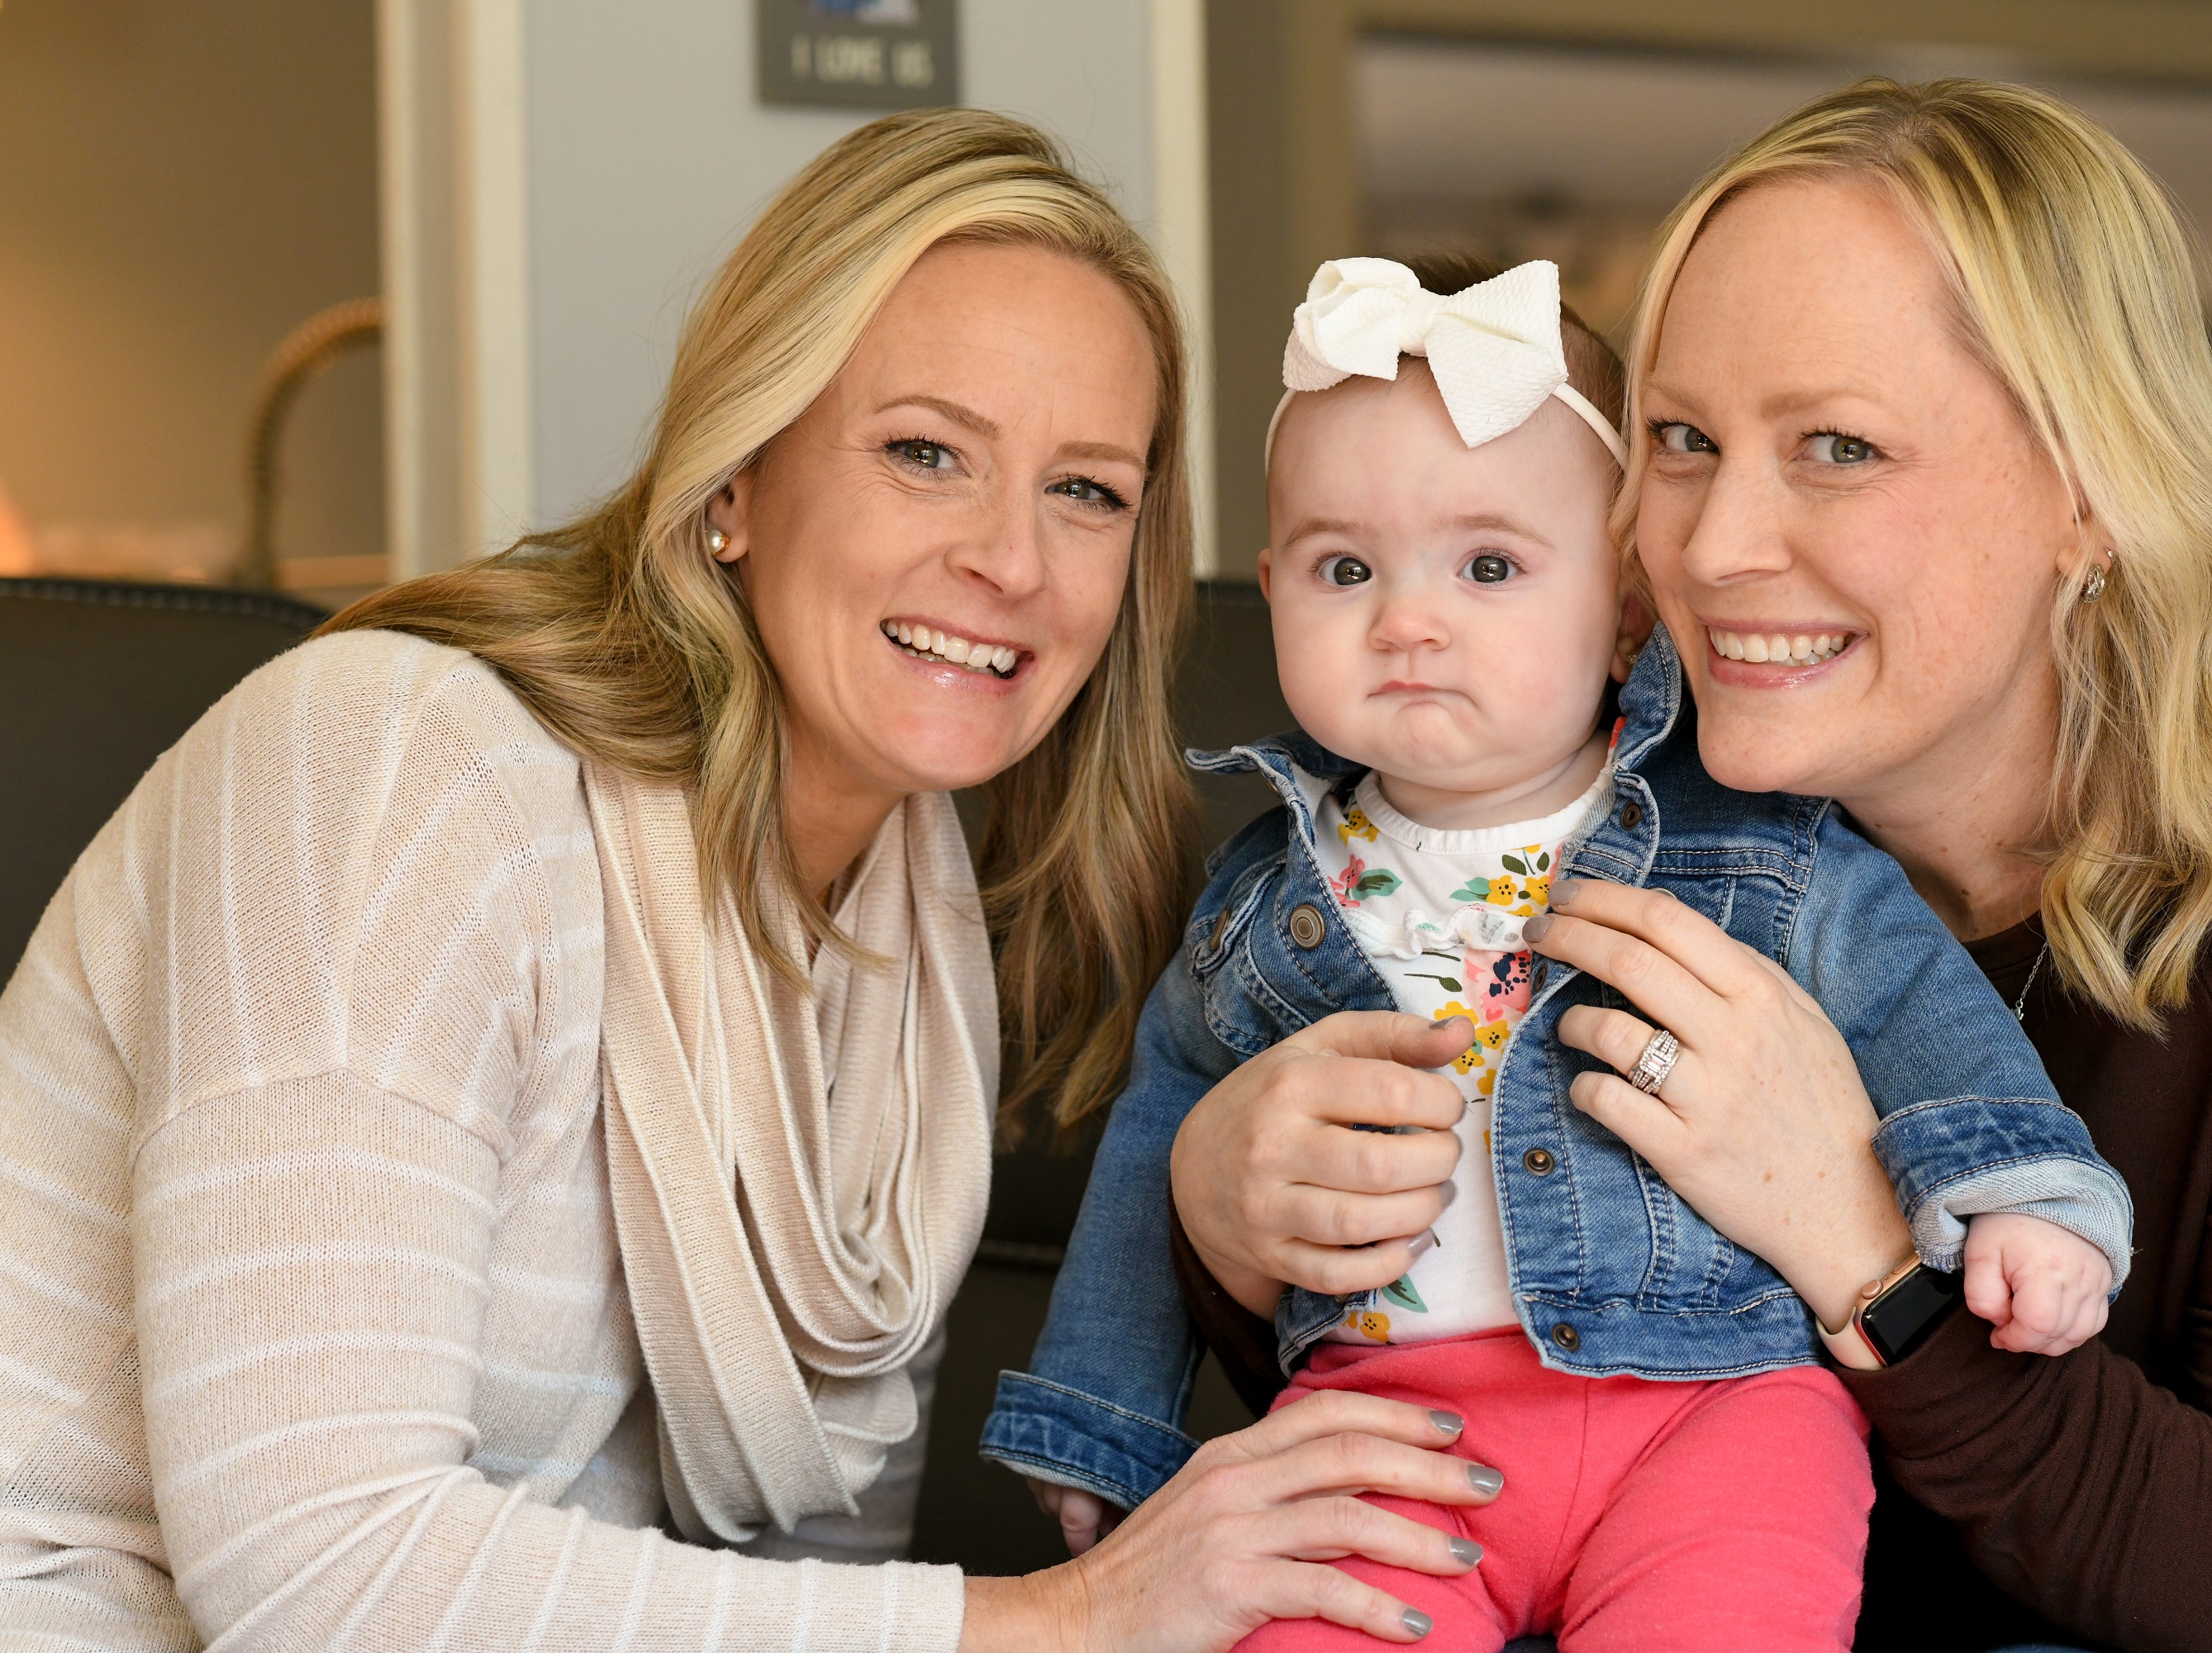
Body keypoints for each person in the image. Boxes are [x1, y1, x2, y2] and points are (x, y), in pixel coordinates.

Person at [0, 110, 1500, 1653]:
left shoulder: (910, 940)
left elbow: (815, 1602)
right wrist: (1078, 1619)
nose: (1013, 560)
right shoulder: (387, 763)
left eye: (1087, 491)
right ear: (735, 478)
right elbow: (315, 1573)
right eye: (928, 453)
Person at [1164, 78, 2212, 1653]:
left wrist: (1862, 1245)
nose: (1714, 545)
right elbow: (1466, 1420)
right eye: (1681, 440)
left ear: (2087, 493)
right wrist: (1225, 1227)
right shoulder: (1555, 791)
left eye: (1839, 447)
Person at [982, 252, 2132, 1651]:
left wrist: (2020, 1192)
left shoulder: (1746, 839)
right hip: (1384, 1425)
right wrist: (1100, 1417)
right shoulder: (1259, 900)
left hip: (1716, 1408)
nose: (1408, 620)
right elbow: (1155, 1142)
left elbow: (1910, 997)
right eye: (1345, 568)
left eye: (1488, 566)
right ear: (1273, 587)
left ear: (1629, 604)